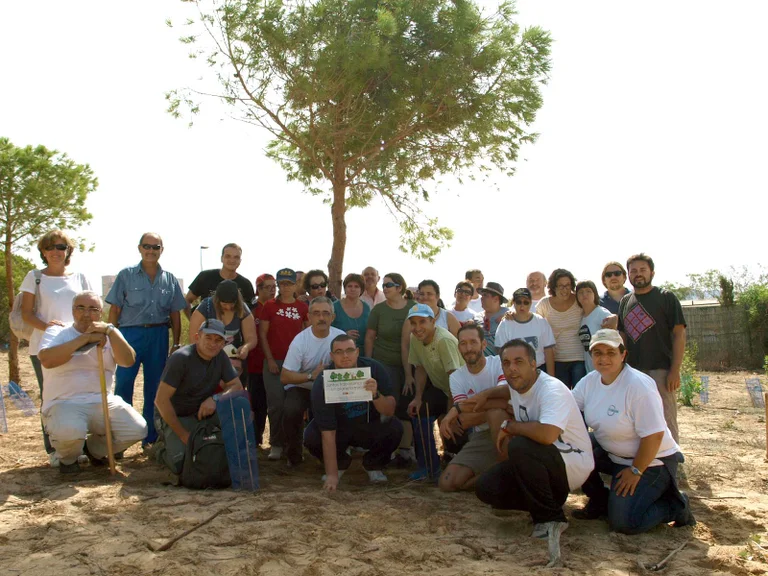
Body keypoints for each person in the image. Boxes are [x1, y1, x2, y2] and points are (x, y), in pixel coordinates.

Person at [469, 340, 594, 565]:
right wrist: (486, 394)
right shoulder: (518, 384)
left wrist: (511, 427)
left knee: (519, 445)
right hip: (544, 461)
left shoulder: (551, 389)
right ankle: (548, 502)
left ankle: (551, 518)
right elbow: (506, 389)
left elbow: (547, 435)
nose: (512, 368)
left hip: (571, 462)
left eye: (519, 362)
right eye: (506, 363)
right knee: (486, 487)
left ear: (534, 364)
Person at [571, 329, 696, 533]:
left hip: (651, 461)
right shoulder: (589, 381)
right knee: (576, 448)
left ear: (623, 354)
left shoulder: (638, 386)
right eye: (598, 353)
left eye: (611, 353)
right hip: (613, 453)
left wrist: (636, 470)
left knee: (624, 523)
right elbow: (568, 409)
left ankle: (676, 506)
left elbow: (654, 436)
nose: (604, 358)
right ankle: (600, 501)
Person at [37, 291, 147, 474]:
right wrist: (85, 338)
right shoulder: (58, 330)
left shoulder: (111, 332)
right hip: (63, 402)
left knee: (137, 429)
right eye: (80, 308)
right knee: (71, 430)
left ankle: (92, 451)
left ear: (100, 313)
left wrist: (111, 331)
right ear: (73, 311)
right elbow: (47, 360)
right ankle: (68, 459)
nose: (86, 314)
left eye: (93, 309)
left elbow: (128, 361)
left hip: (101, 399)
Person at [106, 232, 187, 445]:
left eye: (156, 247)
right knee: (123, 385)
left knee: (155, 388)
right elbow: (115, 309)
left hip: (159, 335)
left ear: (162, 249)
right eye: (147, 246)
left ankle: (150, 439)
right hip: (129, 335)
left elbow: (175, 314)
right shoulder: (126, 275)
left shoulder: (169, 279)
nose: (151, 250)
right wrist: (110, 338)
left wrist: (175, 342)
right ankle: (120, 441)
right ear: (140, 248)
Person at [20, 229, 93, 463]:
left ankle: (77, 448)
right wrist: (46, 326)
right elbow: (26, 314)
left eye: (61, 247)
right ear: (43, 251)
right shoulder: (34, 277)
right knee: (50, 396)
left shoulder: (80, 277)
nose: (55, 252)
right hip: (45, 346)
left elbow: (91, 308)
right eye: (50, 247)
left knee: (78, 395)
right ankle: (53, 450)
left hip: (78, 345)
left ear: (68, 251)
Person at [304, 334, 403, 491]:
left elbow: (389, 410)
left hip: (369, 426)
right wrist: (332, 475)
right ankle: (341, 463)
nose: (345, 356)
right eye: (339, 351)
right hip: (339, 430)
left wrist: (376, 395)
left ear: (357, 352)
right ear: (331, 356)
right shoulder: (323, 381)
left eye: (349, 350)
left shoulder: (375, 368)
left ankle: (373, 464)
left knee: (395, 428)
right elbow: (328, 432)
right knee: (311, 435)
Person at [153, 318, 244, 475]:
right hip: (175, 415)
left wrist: (215, 399)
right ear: (197, 337)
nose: (213, 344)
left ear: (223, 343)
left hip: (202, 413)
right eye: (208, 337)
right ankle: (160, 449)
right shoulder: (181, 358)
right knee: (181, 465)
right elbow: (160, 401)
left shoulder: (220, 357)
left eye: (218, 340)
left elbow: (237, 386)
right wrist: (183, 435)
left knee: (239, 407)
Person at [618, 253, 686, 442]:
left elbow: (679, 334)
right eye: (633, 271)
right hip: (633, 371)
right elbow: (622, 335)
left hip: (661, 371)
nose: (638, 274)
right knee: (635, 417)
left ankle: (672, 464)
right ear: (628, 275)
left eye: (642, 270)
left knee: (665, 417)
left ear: (652, 273)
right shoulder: (625, 301)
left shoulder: (666, 297)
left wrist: (675, 370)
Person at [437, 324, 507, 492]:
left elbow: (507, 395)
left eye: (473, 342)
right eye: (463, 343)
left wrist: (484, 401)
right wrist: (496, 406)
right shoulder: (456, 377)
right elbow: (465, 420)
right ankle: (497, 472)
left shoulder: (499, 363)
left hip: (510, 430)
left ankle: (505, 472)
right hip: (482, 435)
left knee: (497, 414)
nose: (468, 348)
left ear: (483, 344)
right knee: (447, 483)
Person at [280, 297, 346, 466]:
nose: (321, 318)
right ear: (309, 317)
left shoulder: (341, 338)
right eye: (316, 313)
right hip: (303, 386)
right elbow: (285, 376)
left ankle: (335, 454)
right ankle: (293, 456)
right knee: (291, 410)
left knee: (341, 412)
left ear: (333, 316)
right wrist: (311, 376)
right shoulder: (300, 341)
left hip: (330, 387)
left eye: (326, 313)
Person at [364, 272, 417, 463]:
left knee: (407, 406)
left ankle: (405, 450)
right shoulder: (378, 310)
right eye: (384, 285)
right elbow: (369, 337)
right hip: (384, 364)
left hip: (410, 365)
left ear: (400, 287)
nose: (385, 288)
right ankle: (386, 450)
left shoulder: (413, 308)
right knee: (387, 406)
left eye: (389, 285)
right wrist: (369, 364)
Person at [406, 303, 466, 470]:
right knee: (418, 411)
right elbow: (420, 367)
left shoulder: (444, 340)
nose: (417, 327)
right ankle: (428, 466)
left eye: (422, 322)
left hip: (462, 394)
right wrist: (418, 398)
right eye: (413, 323)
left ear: (433, 321)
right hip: (442, 389)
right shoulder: (415, 338)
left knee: (456, 431)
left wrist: (450, 415)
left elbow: (455, 379)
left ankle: (455, 462)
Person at [259, 268, 309, 460]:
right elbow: (263, 334)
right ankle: (277, 444)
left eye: (289, 283)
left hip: (297, 363)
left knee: (295, 406)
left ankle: (294, 445)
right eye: (283, 283)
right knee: (276, 405)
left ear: (295, 285)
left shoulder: (303, 308)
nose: (286, 287)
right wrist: (270, 359)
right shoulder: (270, 306)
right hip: (275, 362)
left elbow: (307, 334)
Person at [534, 269, 585, 389]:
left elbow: (595, 310)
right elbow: (532, 323)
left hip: (579, 357)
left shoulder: (579, 300)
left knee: (580, 399)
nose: (565, 289)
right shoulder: (544, 304)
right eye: (561, 286)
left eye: (567, 285)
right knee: (562, 397)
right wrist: (510, 314)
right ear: (553, 286)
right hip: (556, 359)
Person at [188, 280, 257, 362]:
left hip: (232, 358)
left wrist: (246, 347)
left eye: (232, 304)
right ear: (217, 299)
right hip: (207, 357)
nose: (228, 307)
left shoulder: (242, 308)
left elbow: (251, 337)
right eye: (224, 304)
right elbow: (193, 338)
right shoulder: (205, 307)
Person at [495, 288, 555, 374]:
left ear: (531, 303)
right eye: (518, 302)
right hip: (515, 371)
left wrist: (551, 377)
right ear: (513, 303)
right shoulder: (505, 324)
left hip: (539, 370)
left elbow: (548, 351)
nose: (522, 306)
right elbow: (500, 352)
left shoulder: (541, 322)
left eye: (526, 302)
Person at [184, 243, 255, 317]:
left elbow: (252, 311)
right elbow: (187, 300)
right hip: (208, 327)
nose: (232, 260)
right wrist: (193, 322)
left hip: (235, 328)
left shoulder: (246, 284)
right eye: (228, 256)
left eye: (236, 257)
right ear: (221, 258)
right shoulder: (205, 276)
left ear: (240, 260)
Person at [247, 273, 276, 445]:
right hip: (255, 364)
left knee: (274, 402)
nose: (272, 290)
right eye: (268, 287)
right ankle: (256, 437)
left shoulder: (277, 306)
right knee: (257, 403)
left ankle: (276, 439)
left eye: (274, 287)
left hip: (274, 363)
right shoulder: (251, 309)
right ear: (258, 289)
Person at [575, 281, 614, 372]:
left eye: (588, 291)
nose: (584, 294)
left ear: (595, 294)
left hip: (605, 368)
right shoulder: (582, 317)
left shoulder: (602, 314)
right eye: (581, 292)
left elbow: (613, 341)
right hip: (590, 369)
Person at [332, 273, 371, 350]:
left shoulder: (366, 307)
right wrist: (343, 335)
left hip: (363, 351)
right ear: (345, 288)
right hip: (342, 351)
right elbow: (328, 331)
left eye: (356, 286)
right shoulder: (334, 307)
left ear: (361, 289)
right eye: (349, 286)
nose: (353, 289)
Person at [478, 282, 509, 356]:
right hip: (482, 363)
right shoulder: (476, 318)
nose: (481, 298)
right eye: (482, 295)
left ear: (496, 299)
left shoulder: (509, 314)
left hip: (502, 362)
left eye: (485, 295)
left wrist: (512, 317)